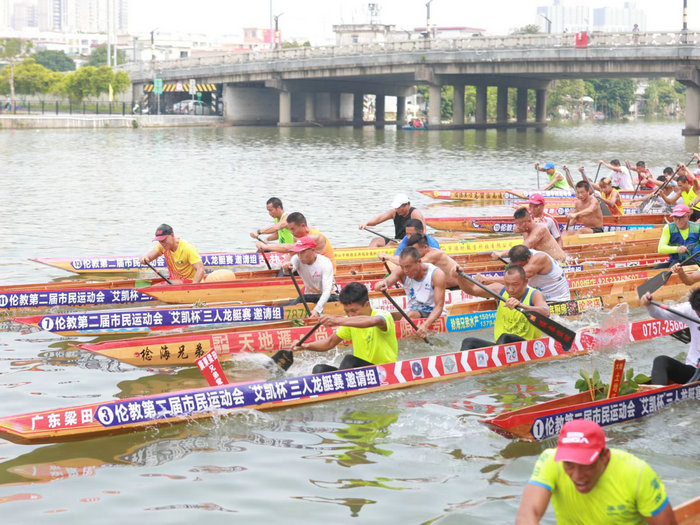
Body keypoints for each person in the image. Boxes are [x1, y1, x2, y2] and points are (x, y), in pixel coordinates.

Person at [516, 419, 676, 525]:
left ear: (605, 457)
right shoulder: (550, 461)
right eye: (569, 465)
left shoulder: (637, 473)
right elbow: (529, 513)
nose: (577, 477)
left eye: (586, 465)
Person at [290, 282, 398, 374]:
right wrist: (305, 346)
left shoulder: (383, 315)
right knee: (319, 369)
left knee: (349, 360)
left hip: (384, 372)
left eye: (354, 311)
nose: (350, 315)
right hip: (362, 372)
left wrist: (337, 320)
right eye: (347, 312)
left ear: (367, 305)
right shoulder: (349, 321)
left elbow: (373, 321)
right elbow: (330, 342)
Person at [457, 265, 550, 351]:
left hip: (527, 347)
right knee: (468, 342)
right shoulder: (499, 290)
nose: (510, 289)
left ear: (525, 282)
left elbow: (546, 312)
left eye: (515, 284)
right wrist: (460, 277)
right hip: (500, 346)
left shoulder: (534, 295)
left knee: (506, 337)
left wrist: (522, 306)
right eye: (507, 284)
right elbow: (472, 289)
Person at [375, 246, 446, 339]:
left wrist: (425, 325)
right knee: (384, 316)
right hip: (412, 312)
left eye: (408, 266)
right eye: (402, 267)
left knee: (411, 315)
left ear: (419, 262)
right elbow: (387, 281)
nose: (405, 271)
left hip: (432, 314)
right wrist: (381, 284)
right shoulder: (401, 271)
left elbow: (439, 307)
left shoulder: (437, 274)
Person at [640, 289, 700, 385]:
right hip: (693, 370)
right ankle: (658, 395)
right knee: (661, 361)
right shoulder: (689, 308)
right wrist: (649, 305)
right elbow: (660, 313)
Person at [479, 244, 570, 302]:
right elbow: (513, 250)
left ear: (528, 258)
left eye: (520, 265)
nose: (518, 267)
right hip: (539, 297)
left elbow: (515, 278)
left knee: (507, 285)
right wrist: (501, 254)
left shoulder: (539, 259)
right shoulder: (525, 252)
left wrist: (487, 279)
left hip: (556, 300)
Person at [256, 211, 336, 271]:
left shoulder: (314, 236)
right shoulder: (298, 236)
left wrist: (267, 247)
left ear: (303, 226)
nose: (291, 232)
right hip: (312, 270)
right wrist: (283, 267)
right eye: (290, 229)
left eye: (293, 229)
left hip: (326, 273)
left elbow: (291, 247)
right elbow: (291, 253)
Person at [281, 236, 337, 318]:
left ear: (313, 250)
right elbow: (289, 271)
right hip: (309, 296)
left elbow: (327, 291)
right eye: (298, 252)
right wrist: (285, 267)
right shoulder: (296, 259)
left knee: (301, 298)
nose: (300, 256)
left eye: (303, 252)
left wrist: (317, 310)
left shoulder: (325, 263)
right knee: (295, 301)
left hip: (330, 296)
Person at [139, 224, 206, 284]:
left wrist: (193, 287)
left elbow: (200, 269)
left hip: (191, 282)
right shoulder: (162, 246)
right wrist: (144, 258)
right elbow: (149, 257)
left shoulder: (187, 248)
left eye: (164, 240)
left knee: (163, 285)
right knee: (162, 284)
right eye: (160, 241)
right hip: (176, 282)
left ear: (172, 235)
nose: (162, 244)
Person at [494, 207, 566, 262]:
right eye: (516, 224)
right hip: (544, 261)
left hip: (558, 262)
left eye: (519, 224)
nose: (517, 227)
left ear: (528, 221)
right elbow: (515, 229)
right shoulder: (525, 228)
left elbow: (522, 249)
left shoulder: (540, 230)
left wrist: (501, 254)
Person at [359, 194, 426, 247]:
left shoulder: (415, 214)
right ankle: (370, 259)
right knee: (375, 240)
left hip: (410, 242)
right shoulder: (394, 212)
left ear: (407, 204)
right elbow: (378, 219)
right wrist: (366, 223)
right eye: (396, 207)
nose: (397, 210)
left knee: (392, 243)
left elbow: (422, 233)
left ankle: (382, 257)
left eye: (399, 207)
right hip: (397, 240)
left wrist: (406, 242)